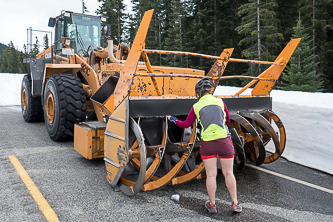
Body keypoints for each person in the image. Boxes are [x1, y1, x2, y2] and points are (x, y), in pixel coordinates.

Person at [168, 78, 242, 214]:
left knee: (211, 175)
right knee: (228, 173)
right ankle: (235, 204)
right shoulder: (220, 102)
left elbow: (185, 124)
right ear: (210, 91)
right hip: (224, 142)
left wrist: (172, 119)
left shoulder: (196, 106)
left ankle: (212, 205)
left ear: (198, 92)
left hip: (208, 143)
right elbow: (228, 121)